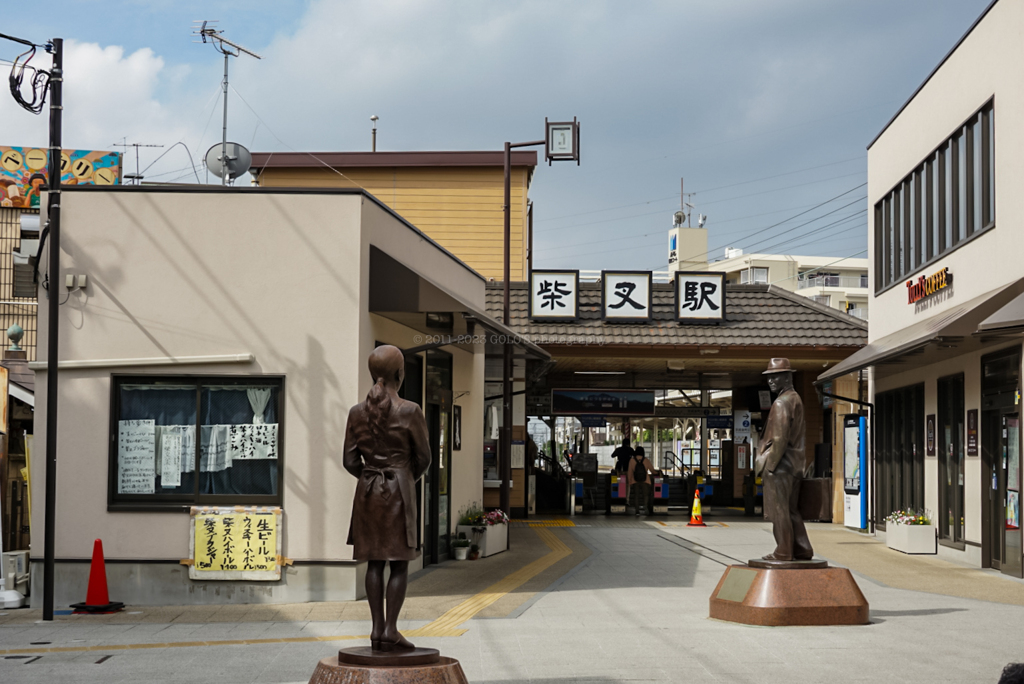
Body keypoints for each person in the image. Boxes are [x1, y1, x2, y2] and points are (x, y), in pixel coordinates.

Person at [343, 345, 431, 652]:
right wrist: (403, 478)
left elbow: (350, 461)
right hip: (399, 490)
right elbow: (424, 458)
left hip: (367, 491)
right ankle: (391, 629)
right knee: (399, 563)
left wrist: (372, 475)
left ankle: (377, 629)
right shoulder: (410, 410)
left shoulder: (356, 412)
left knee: (375, 562)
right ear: (400, 374)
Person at [753, 357, 813, 562]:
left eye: (775, 377)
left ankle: (784, 550)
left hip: (779, 466)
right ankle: (802, 548)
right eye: (769, 377)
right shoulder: (796, 399)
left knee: (779, 511)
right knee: (791, 509)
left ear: (787, 377)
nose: (770, 381)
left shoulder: (781, 403)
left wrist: (769, 467)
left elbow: (779, 439)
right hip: (795, 466)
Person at [628, 446, 656, 516]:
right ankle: (645, 508)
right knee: (646, 495)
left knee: (636, 496)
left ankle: (637, 511)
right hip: (645, 481)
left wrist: (630, 481)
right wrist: (657, 473)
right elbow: (652, 470)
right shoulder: (646, 460)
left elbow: (630, 472)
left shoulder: (632, 460)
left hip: (635, 480)